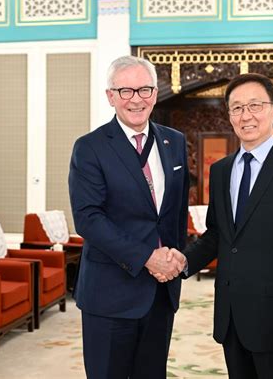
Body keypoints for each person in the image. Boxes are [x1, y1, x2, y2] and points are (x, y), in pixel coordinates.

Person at [161, 73, 273, 379]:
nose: (245, 115)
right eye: (236, 108)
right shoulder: (221, 171)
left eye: (254, 105)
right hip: (231, 319)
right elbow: (218, 235)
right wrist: (182, 261)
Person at [68, 55, 189, 379]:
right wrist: (147, 257)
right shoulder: (90, 147)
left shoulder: (174, 141)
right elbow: (88, 218)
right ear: (111, 96)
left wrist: (177, 257)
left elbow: (175, 212)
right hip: (110, 294)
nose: (137, 99)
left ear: (155, 93)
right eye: (126, 91)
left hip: (160, 293)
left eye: (145, 89)